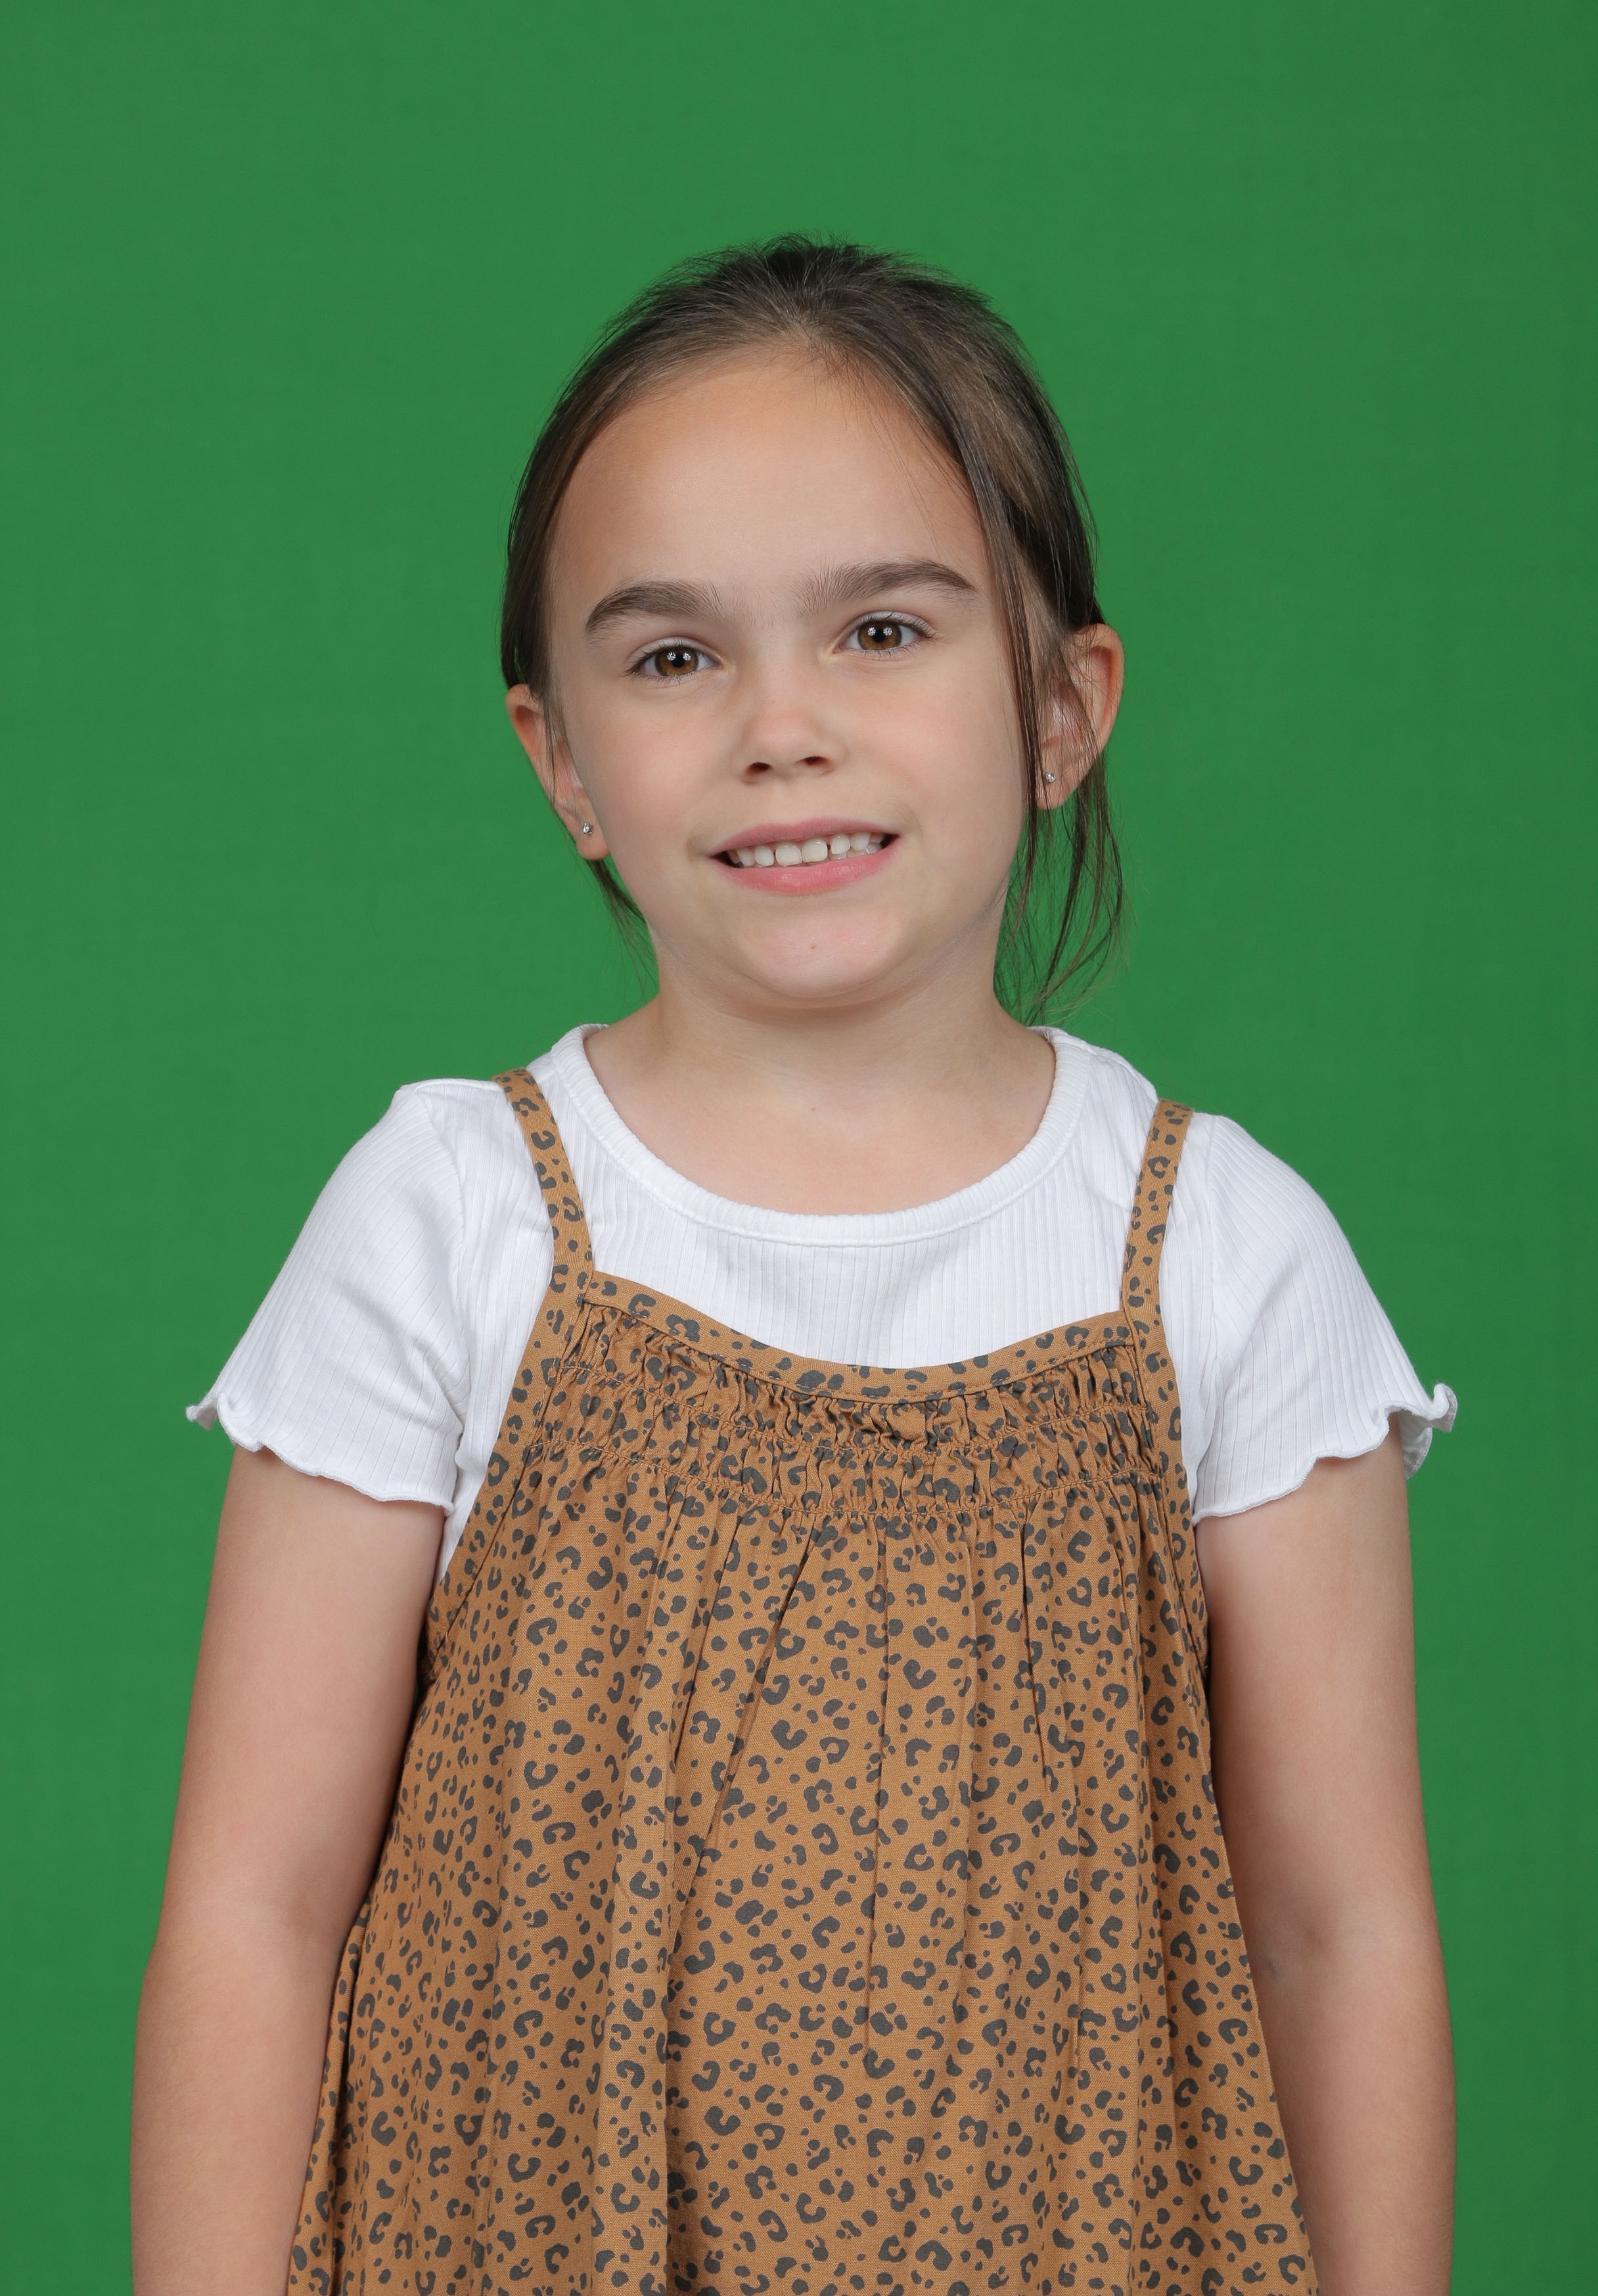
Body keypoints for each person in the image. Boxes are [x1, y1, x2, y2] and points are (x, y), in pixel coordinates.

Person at [131, 239, 1456, 2296]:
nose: (783, 728)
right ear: (561, 760)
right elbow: (257, 1904)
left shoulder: (1220, 1255)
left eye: (884, 631)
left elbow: (1335, 1930)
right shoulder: (452, 1213)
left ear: (1061, 709)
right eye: (674, 658)